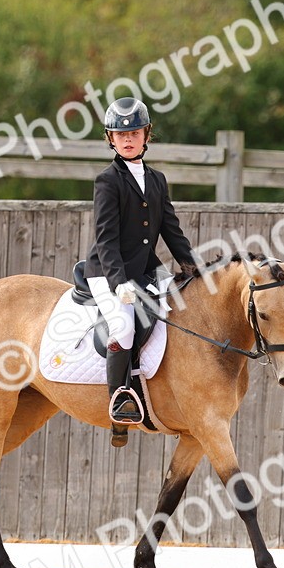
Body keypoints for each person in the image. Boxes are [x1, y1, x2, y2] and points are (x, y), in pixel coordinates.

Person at [83, 97, 197, 426]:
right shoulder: (108, 181)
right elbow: (106, 239)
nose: (128, 139)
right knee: (124, 326)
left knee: (184, 308)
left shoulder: (158, 180)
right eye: (121, 135)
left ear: (147, 135)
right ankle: (119, 399)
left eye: (135, 132)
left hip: (146, 270)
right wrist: (120, 285)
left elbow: (172, 231)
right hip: (108, 273)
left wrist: (193, 269)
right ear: (111, 139)